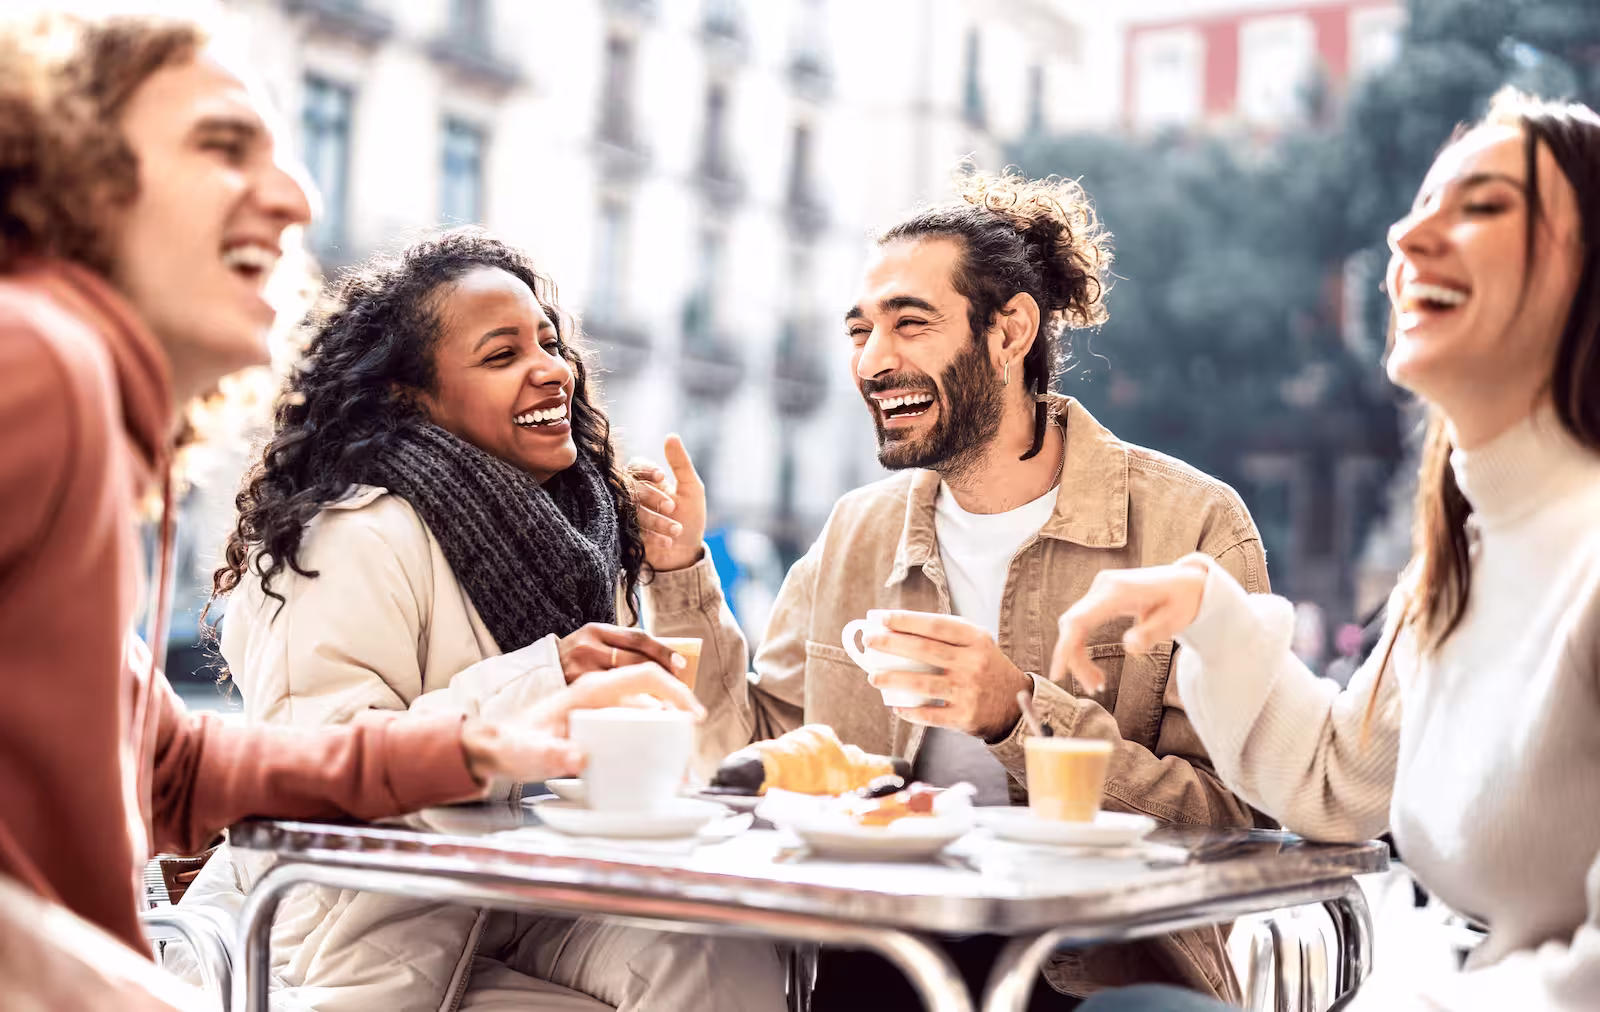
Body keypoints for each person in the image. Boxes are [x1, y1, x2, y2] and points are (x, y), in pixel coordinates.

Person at [0, 12, 698, 1007]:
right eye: (221, 145)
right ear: (68, 174)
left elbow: (173, 772)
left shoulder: (88, 408)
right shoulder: (39, 364)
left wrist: (468, 747)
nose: (295, 194)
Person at [631, 171, 1271, 1006]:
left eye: (910, 324)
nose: (873, 361)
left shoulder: (1192, 526)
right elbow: (752, 753)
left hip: (1090, 970)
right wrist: (681, 572)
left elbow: (1236, 820)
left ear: (1010, 332)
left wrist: (1019, 714)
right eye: (860, 332)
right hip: (869, 956)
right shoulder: (855, 534)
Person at [1053, 90, 1600, 1012]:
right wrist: (1207, 611)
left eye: (1485, 205)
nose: (1408, 241)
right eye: (1419, 208)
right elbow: (1344, 782)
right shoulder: (1463, 558)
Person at [170, 230, 786, 1012]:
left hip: (515, 900)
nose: (553, 370)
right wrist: (548, 677)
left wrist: (678, 571)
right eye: (502, 356)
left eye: (551, 343)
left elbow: (714, 756)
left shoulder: (582, 535)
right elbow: (317, 775)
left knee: (720, 955)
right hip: (346, 942)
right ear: (408, 394)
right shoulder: (347, 535)